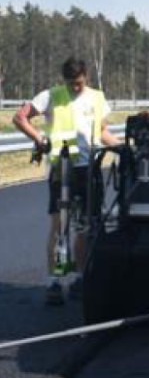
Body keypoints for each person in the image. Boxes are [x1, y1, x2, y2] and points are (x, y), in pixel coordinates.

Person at [12, 57, 121, 305]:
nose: (75, 87)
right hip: (62, 169)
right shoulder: (51, 96)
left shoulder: (96, 98)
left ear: (86, 77)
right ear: (64, 80)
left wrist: (121, 147)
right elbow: (20, 118)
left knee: (85, 226)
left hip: (88, 169)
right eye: (71, 83)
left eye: (79, 83)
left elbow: (102, 131)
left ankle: (80, 278)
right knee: (59, 226)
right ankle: (54, 281)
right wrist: (39, 139)